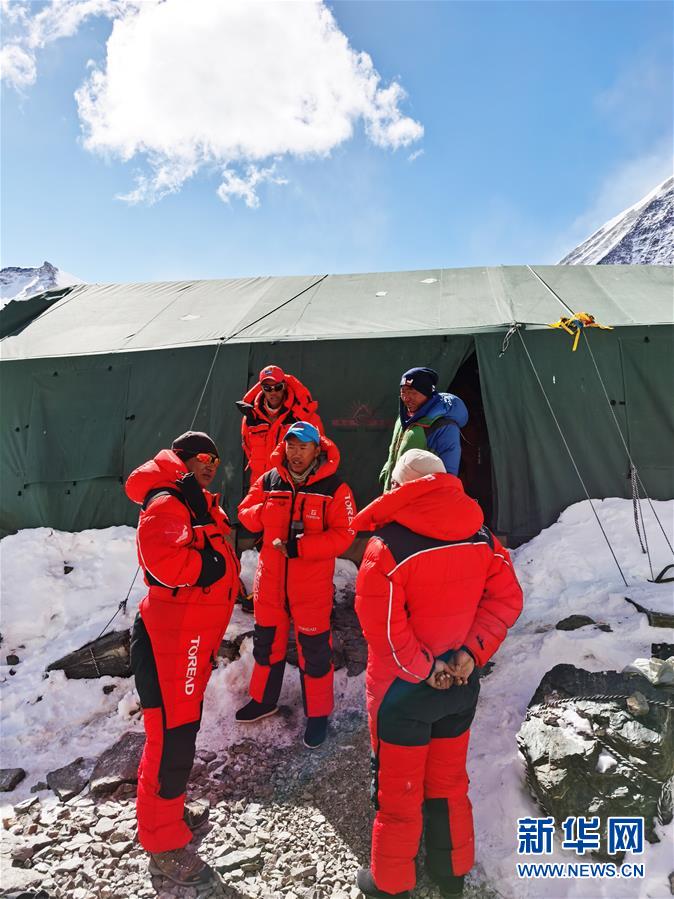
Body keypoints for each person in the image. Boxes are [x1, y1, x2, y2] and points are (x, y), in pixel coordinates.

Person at [353, 449, 523, 898]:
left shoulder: (387, 546)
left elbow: (383, 629)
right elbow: (506, 600)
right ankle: (450, 874)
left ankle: (391, 883)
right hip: (460, 686)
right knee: (448, 781)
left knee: (399, 791)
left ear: (400, 487)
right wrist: (472, 651)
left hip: (403, 693)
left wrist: (426, 669)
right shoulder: (483, 538)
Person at [126, 431, 240, 887]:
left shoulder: (190, 499)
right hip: (169, 639)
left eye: (214, 458)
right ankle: (162, 845)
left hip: (186, 637)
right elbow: (162, 563)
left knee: (178, 732)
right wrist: (209, 567)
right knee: (171, 737)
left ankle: (166, 812)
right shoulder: (168, 502)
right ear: (182, 460)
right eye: (201, 458)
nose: (210, 464)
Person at [235, 421, 356, 748]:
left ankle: (318, 715)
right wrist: (268, 513)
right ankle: (263, 700)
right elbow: (245, 512)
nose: (296, 452)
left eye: (303, 446)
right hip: (270, 584)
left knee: (315, 654)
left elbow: (345, 533)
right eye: (291, 445)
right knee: (266, 645)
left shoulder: (334, 487)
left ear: (317, 449)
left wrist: (304, 546)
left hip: (310, 588)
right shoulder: (270, 479)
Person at [380, 366, 468, 492]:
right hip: (392, 496)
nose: (406, 398)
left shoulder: (444, 426)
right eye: (403, 391)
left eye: (413, 392)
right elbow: (393, 454)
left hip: (419, 502)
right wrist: (386, 475)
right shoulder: (403, 419)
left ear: (427, 394)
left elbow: (448, 476)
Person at [236, 364, 324, 488]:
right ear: (261, 388)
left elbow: (319, 452)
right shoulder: (250, 418)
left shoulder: (305, 415)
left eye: (278, 387)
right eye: (267, 388)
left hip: (294, 486)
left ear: (284, 386)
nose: (273, 392)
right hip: (260, 486)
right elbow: (248, 449)